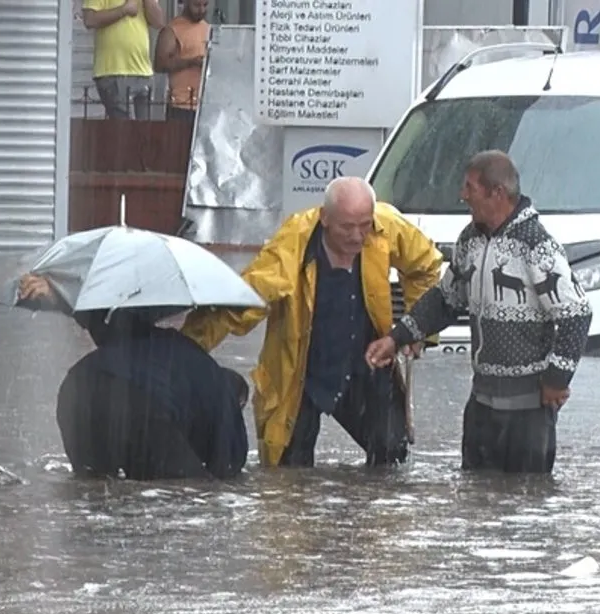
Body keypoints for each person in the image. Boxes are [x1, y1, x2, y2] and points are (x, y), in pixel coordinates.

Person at [180, 177, 444, 469]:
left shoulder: (387, 226)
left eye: (364, 225)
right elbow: (240, 304)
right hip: (302, 376)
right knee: (289, 477)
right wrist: (185, 350)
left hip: (366, 367)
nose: (357, 236)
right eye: (347, 227)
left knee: (392, 462)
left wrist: (414, 329)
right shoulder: (292, 245)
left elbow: (427, 267)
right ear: (325, 218)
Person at [365, 150, 593, 474]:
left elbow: (577, 315)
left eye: (470, 188)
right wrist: (398, 337)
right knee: (476, 504)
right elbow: (446, 300)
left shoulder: (537, 245)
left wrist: (556, 380)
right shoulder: (469, 241)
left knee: (528, 508)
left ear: (496, 193)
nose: (463, 195)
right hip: (481, 407)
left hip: (528, 413)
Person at [17, 276, 249, 480]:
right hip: (141, 406)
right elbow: (230, 465)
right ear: (239, 401)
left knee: (92, 489)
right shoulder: (222, 398)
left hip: (78, 389)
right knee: (182, 494)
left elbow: (110, 327)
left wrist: (61, 295)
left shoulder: (165, 350)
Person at [82, 0, 166, 120]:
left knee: (145, 132)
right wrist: (123, 10)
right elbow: (90, 19)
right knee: (123, 131)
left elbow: (158, 22)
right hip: (114, 71)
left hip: (142, 71)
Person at [153, 0, 210, 125]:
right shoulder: (172, 29)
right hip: (181, 104)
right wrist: (191, 62)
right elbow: (159, 64)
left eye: (205, 5)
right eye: (196, 5)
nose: (201, 10)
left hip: (205, 103)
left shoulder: (207, 28)